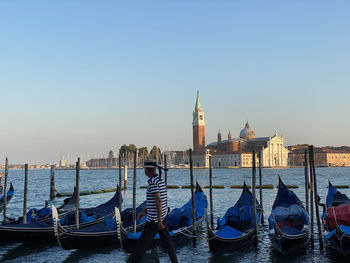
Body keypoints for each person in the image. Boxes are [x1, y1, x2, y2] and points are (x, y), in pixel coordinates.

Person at [129, 159, 178, 263]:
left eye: (144, 169)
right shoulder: (159, 180)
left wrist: (159, 221)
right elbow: (156, 201)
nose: (144, 171)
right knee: (168, 243)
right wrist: (144, 211)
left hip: (155, 220)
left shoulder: (153, 183)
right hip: (162, 216)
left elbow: (158, 200)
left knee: (141, 246)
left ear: (148, 170)